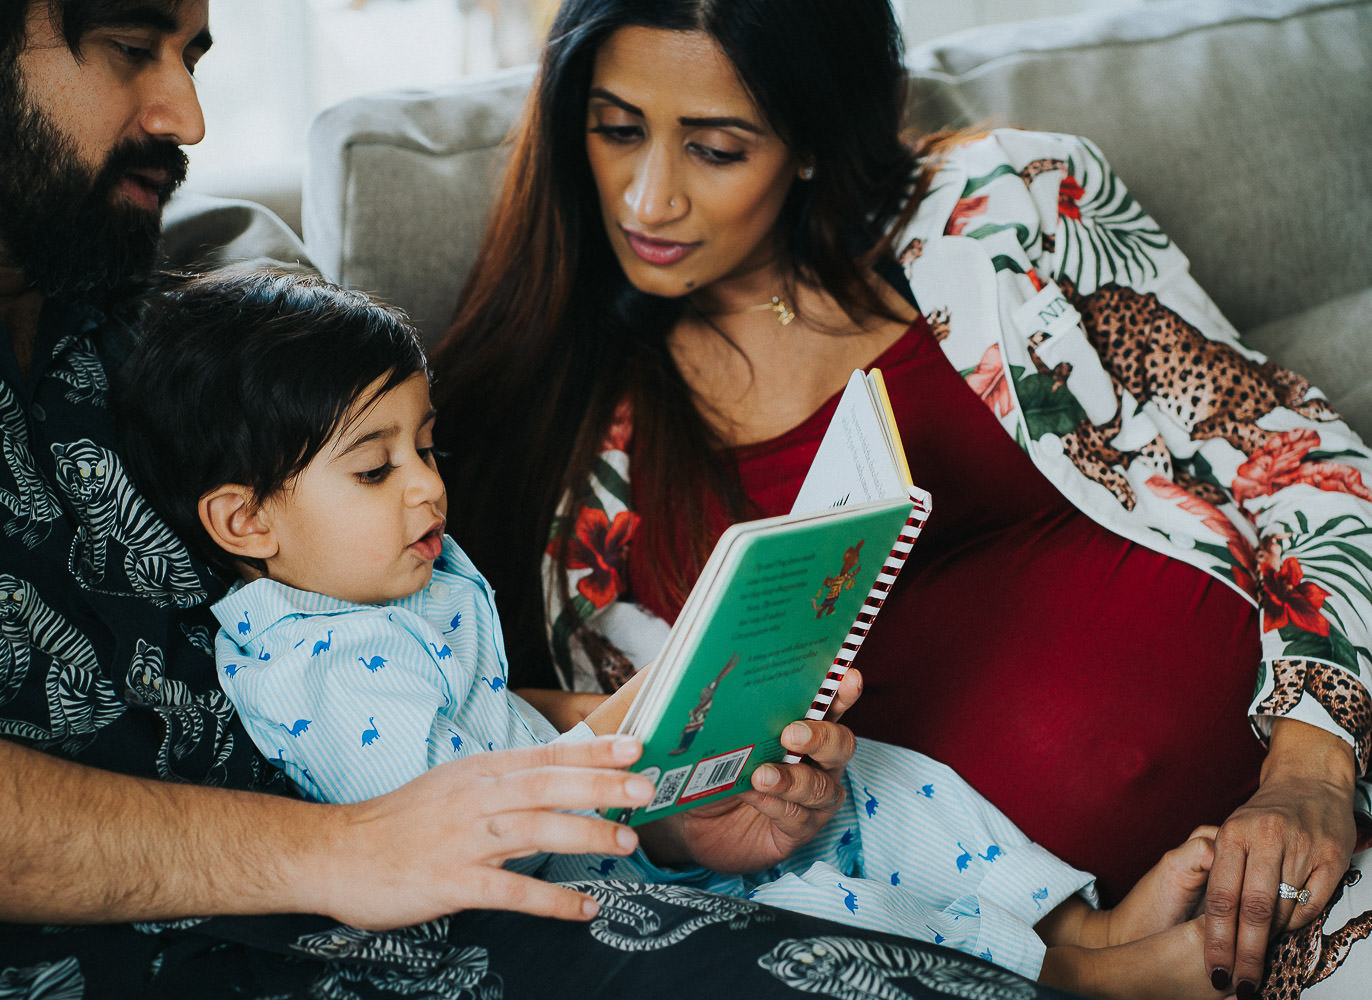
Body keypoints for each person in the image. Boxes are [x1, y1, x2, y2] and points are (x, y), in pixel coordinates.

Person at [0, 2, 1079, 997]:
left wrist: (667, 777)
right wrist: (344, 849)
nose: (185, 115)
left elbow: (429, 676)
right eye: (132, 48)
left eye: (192, 58)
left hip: (435, 892)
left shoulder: (158, 310)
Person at [429, 0, 1372, 996]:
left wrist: (1313, 768)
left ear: (810, 141)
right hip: (987, 955)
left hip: (1311, 819)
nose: (647, 197)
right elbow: (592, 788)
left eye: (713, 148)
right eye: (617, 129)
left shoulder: (998, 210)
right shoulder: (558, 453)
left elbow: (1301, 461)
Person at [114, 265, 1254, 997]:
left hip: (620, 825)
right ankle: (1078, 979)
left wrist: (710, 698)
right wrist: (650, 711)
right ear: (245, 519)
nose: (426, 491)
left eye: (426, 448)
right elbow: (472, 831)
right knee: (819, 902)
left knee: (878, 781)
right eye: (376, 467)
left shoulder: (392, 574)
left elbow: (520, 709)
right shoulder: (314, 668)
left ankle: (1079, 924)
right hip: (567, 902)